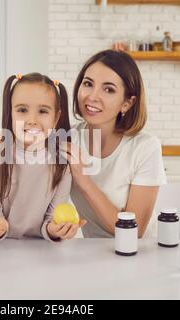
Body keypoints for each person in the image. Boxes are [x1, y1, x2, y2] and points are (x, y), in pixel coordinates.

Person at [60, 49, 167, 238]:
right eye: (88, 84)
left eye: (108, 89)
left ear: (127, 103)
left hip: (139, 255)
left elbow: (134, 231)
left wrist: (83, 179)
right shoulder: (68, 138)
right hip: (92, 254)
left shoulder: (144, 147)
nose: (92, 97)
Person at [0, 73, 86, 242]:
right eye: (22, 110)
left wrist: (55, 229)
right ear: (11, 112)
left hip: (45, 253)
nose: (32, 120)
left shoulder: (62, 163)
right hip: (3, 251)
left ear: (56, 118)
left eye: (43, 111)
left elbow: (51, 220)